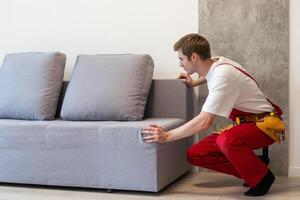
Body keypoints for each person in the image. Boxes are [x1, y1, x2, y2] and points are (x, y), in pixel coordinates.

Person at [141, 33, 284, 197]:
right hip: (245, 124)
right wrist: (194, 82)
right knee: (196, 154)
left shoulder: (223, 76)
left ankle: (263, 178)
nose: (180, 64)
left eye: (181, 59)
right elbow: (208, 72)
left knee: (226, 140)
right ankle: (256, 165)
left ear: (194, 56)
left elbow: (204, 122)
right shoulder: (216, 61)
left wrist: (166, 136)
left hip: (267, 125)